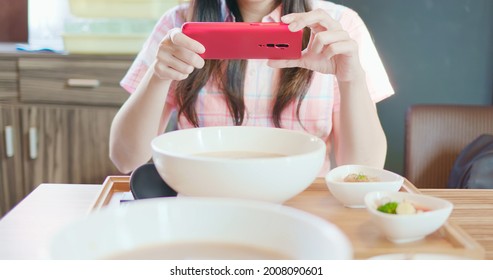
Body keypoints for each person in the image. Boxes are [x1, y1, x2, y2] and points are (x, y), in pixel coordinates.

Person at [109, 0, 394, 176]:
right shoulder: (177, 24)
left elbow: (363, 171)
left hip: (305, 204)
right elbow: (125, 158)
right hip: (203, 202)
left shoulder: (340, 26)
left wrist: (351, 78)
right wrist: (158, 76)